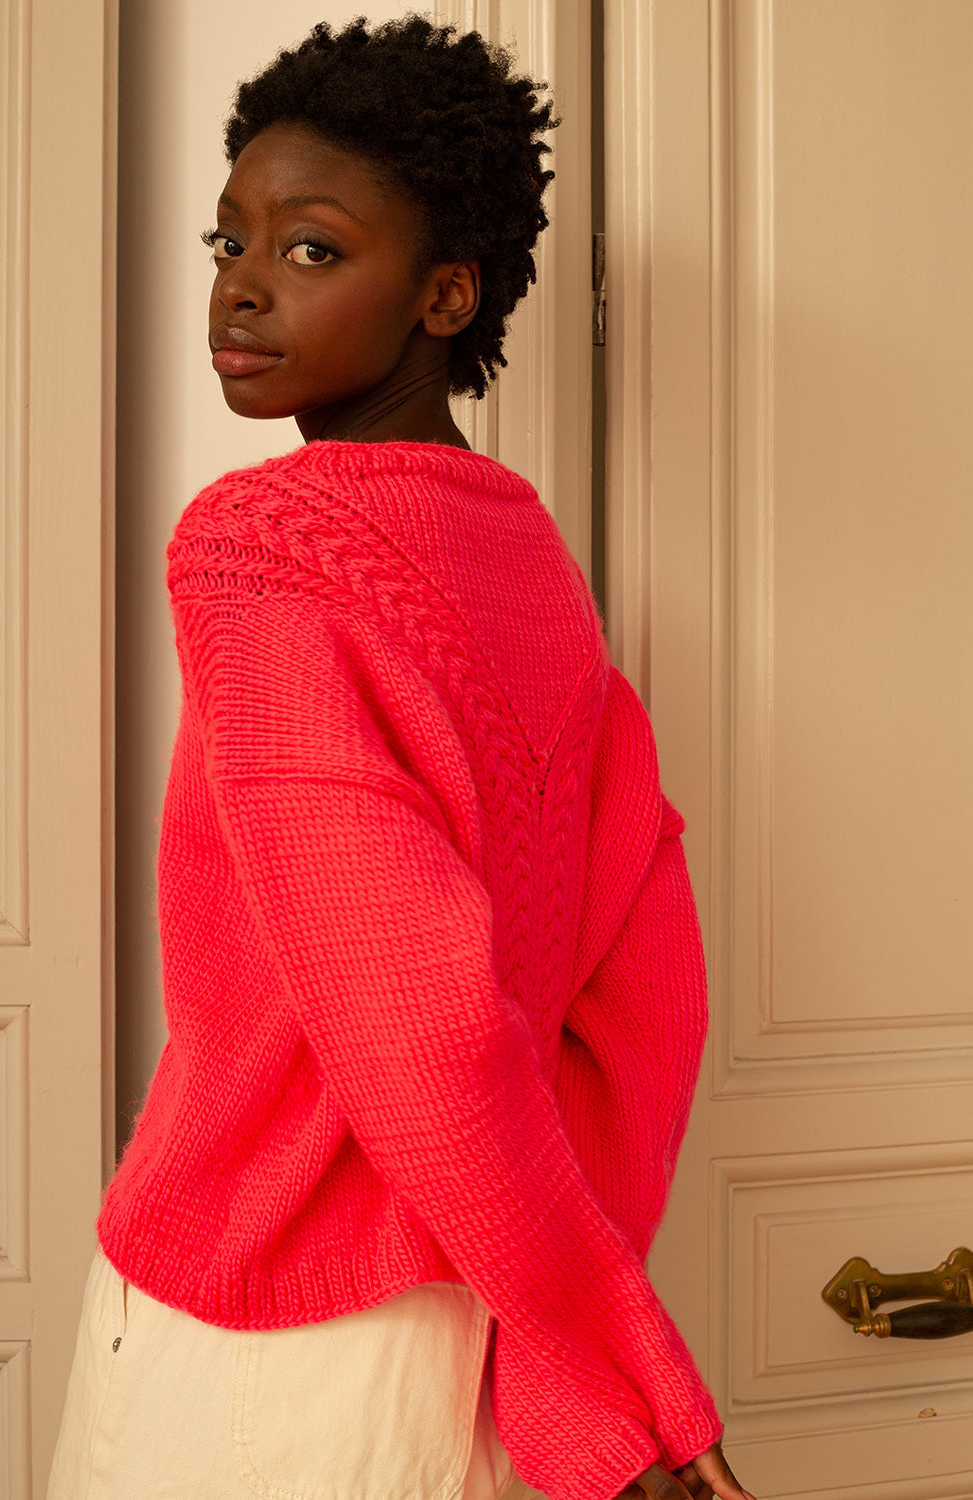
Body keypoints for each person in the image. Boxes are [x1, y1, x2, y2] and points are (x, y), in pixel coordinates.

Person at [49, 16, 758, 1500]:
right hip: (486, 1329)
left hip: (272, 1340)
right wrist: (581, 1333)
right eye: (229, 239)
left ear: (448, 294)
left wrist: (596, 1347)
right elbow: (648, 996)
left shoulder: (261, 548)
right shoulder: (534, 567)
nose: (240, 285)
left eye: (311, 249)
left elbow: (414, 1011)